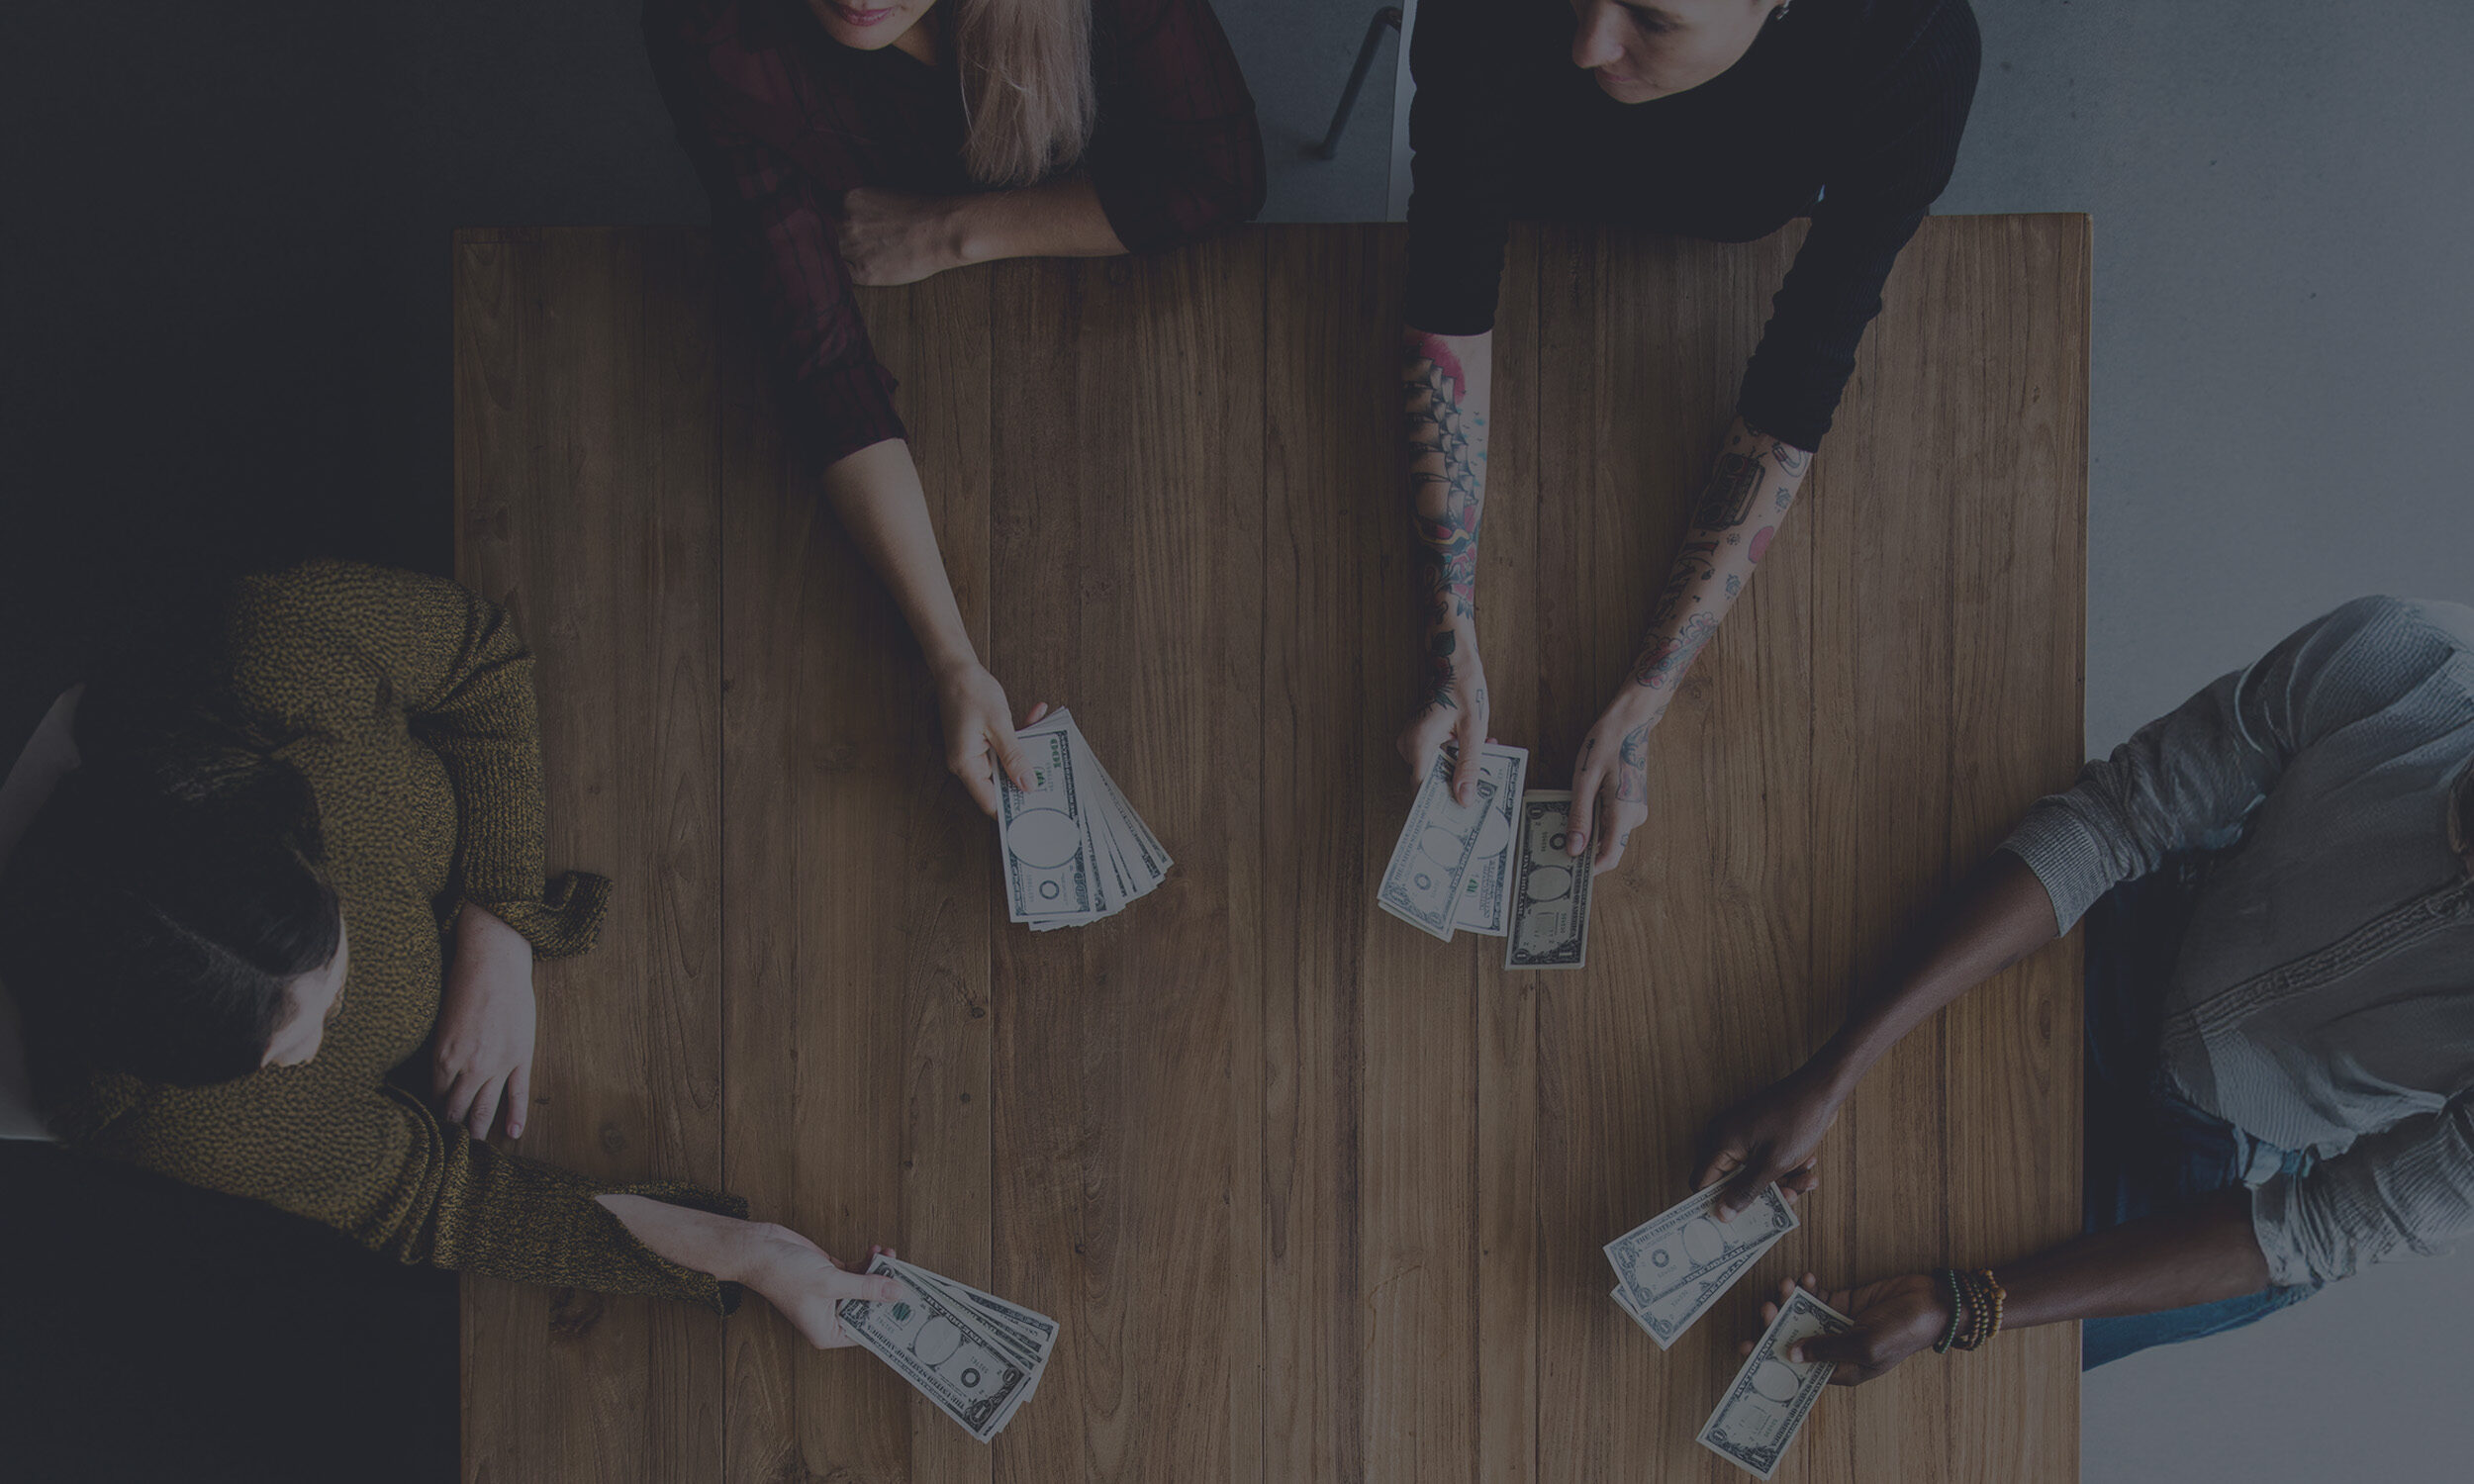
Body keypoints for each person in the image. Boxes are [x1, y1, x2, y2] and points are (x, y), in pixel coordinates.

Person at [0, 561, 902, 1345]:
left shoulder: (267, 651)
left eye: (328, 960)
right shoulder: (156, 1117)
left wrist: (498, 924)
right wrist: (748, 1256)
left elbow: (482, 658)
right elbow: (435, 1202)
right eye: (279, 1052)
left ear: (291, 834)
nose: (316, 1040)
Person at [1690, 596, 2474, 1375]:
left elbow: (2320, 1227)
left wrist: (1967, 1306)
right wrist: (1834, 1069)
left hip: (2234, 1185)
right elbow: (2116, 820)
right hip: (2140, 933)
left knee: (1944, 1388)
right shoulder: (2407, 659)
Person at [1394, 0, 1979, 874]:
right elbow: (1450, 272)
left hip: (1715, 242)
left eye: (1654, 20)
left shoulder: (1911, 42)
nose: (1587, 44)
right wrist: (1452, 632)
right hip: (1528, 206)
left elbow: (1807, 365)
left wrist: (1649, 693)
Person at [643, 0, 1265, 815]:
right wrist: (952, 660)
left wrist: (957, 233)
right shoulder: (712, 31)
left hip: (1130, 295)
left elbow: (1222, 175)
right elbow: (821, 361)